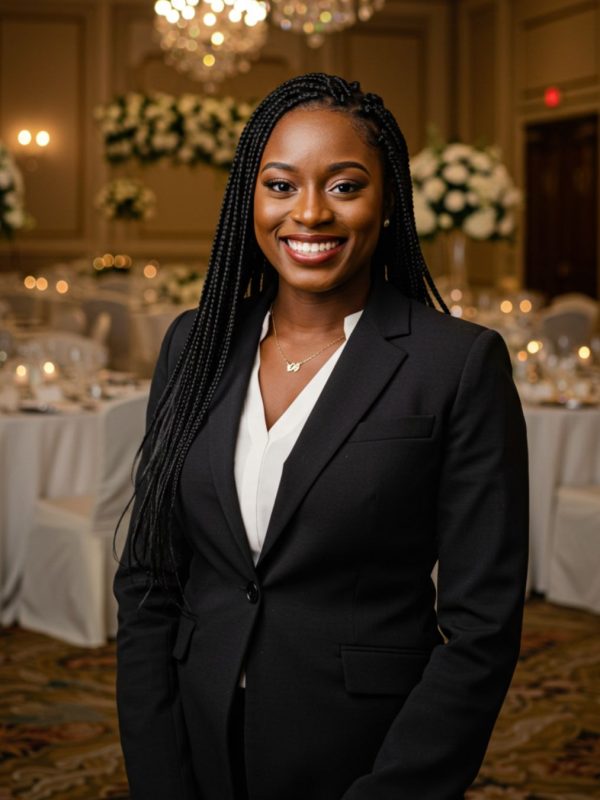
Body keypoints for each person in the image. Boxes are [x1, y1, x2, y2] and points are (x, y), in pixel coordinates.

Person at [114, 73, 529, 800]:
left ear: (389, 200)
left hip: (365, 755)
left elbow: (482, 629)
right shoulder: (195, 344)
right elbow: (151, 580)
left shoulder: (456, 364)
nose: (309, 213)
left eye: (343, 186)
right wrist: (158, 770)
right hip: (195, 737)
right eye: (280, 185)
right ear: (251, 197)